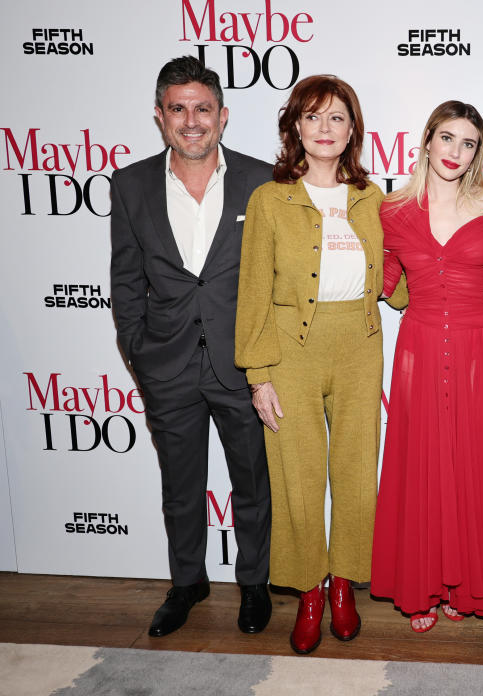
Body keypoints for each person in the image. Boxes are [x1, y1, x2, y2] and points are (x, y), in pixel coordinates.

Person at [234, 75, 405, 654]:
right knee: (298, 481)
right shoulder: (268, 199)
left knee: (357, 476)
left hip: (359, 346)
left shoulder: (374, 198)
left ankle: (344, 586)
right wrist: (259, 376)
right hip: (290, 353)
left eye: (336, 118)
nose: (325, 129)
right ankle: (309, 589)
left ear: (352, 128)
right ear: (295, 129)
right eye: (313, 118)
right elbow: (253, 291)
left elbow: (398, 287)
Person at [110, 56, 272, 638]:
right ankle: (187, 582)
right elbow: (126, 281)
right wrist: (139, 354)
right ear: (160, 117)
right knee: (180, 487)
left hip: (243, 365)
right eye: (178, 108)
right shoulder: (130, 185)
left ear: (223, 116)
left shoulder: (263, 180)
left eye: (203, 108)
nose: (192, 120)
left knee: (253, 480)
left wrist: (266, 363)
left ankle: (254, 584)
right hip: (168, 366)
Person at [370, 101, 483, 633]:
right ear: (427, 140)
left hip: (478, 347)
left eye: (469, 142)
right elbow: (379, 282)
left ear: (479, 152)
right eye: (448, 138)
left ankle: (465, 584)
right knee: (423, 462)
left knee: (471, 463)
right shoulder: (391, 209)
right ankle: (424, 586)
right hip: (420, 347)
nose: (456, 152)